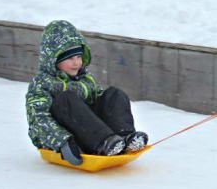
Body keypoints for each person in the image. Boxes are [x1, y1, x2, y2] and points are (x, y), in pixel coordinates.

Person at [25, 20, 148, 165]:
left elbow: (104, 105)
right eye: (70, 58)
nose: (76, 63)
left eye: (78, 57)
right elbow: (39, 120)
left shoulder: (85, 79)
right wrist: (63, 142)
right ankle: (105, 142)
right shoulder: (42, 83)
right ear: (53, 60)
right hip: (69, 140)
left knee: (114, 95)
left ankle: (124, 138)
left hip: (94, 134)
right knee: (66, 99)